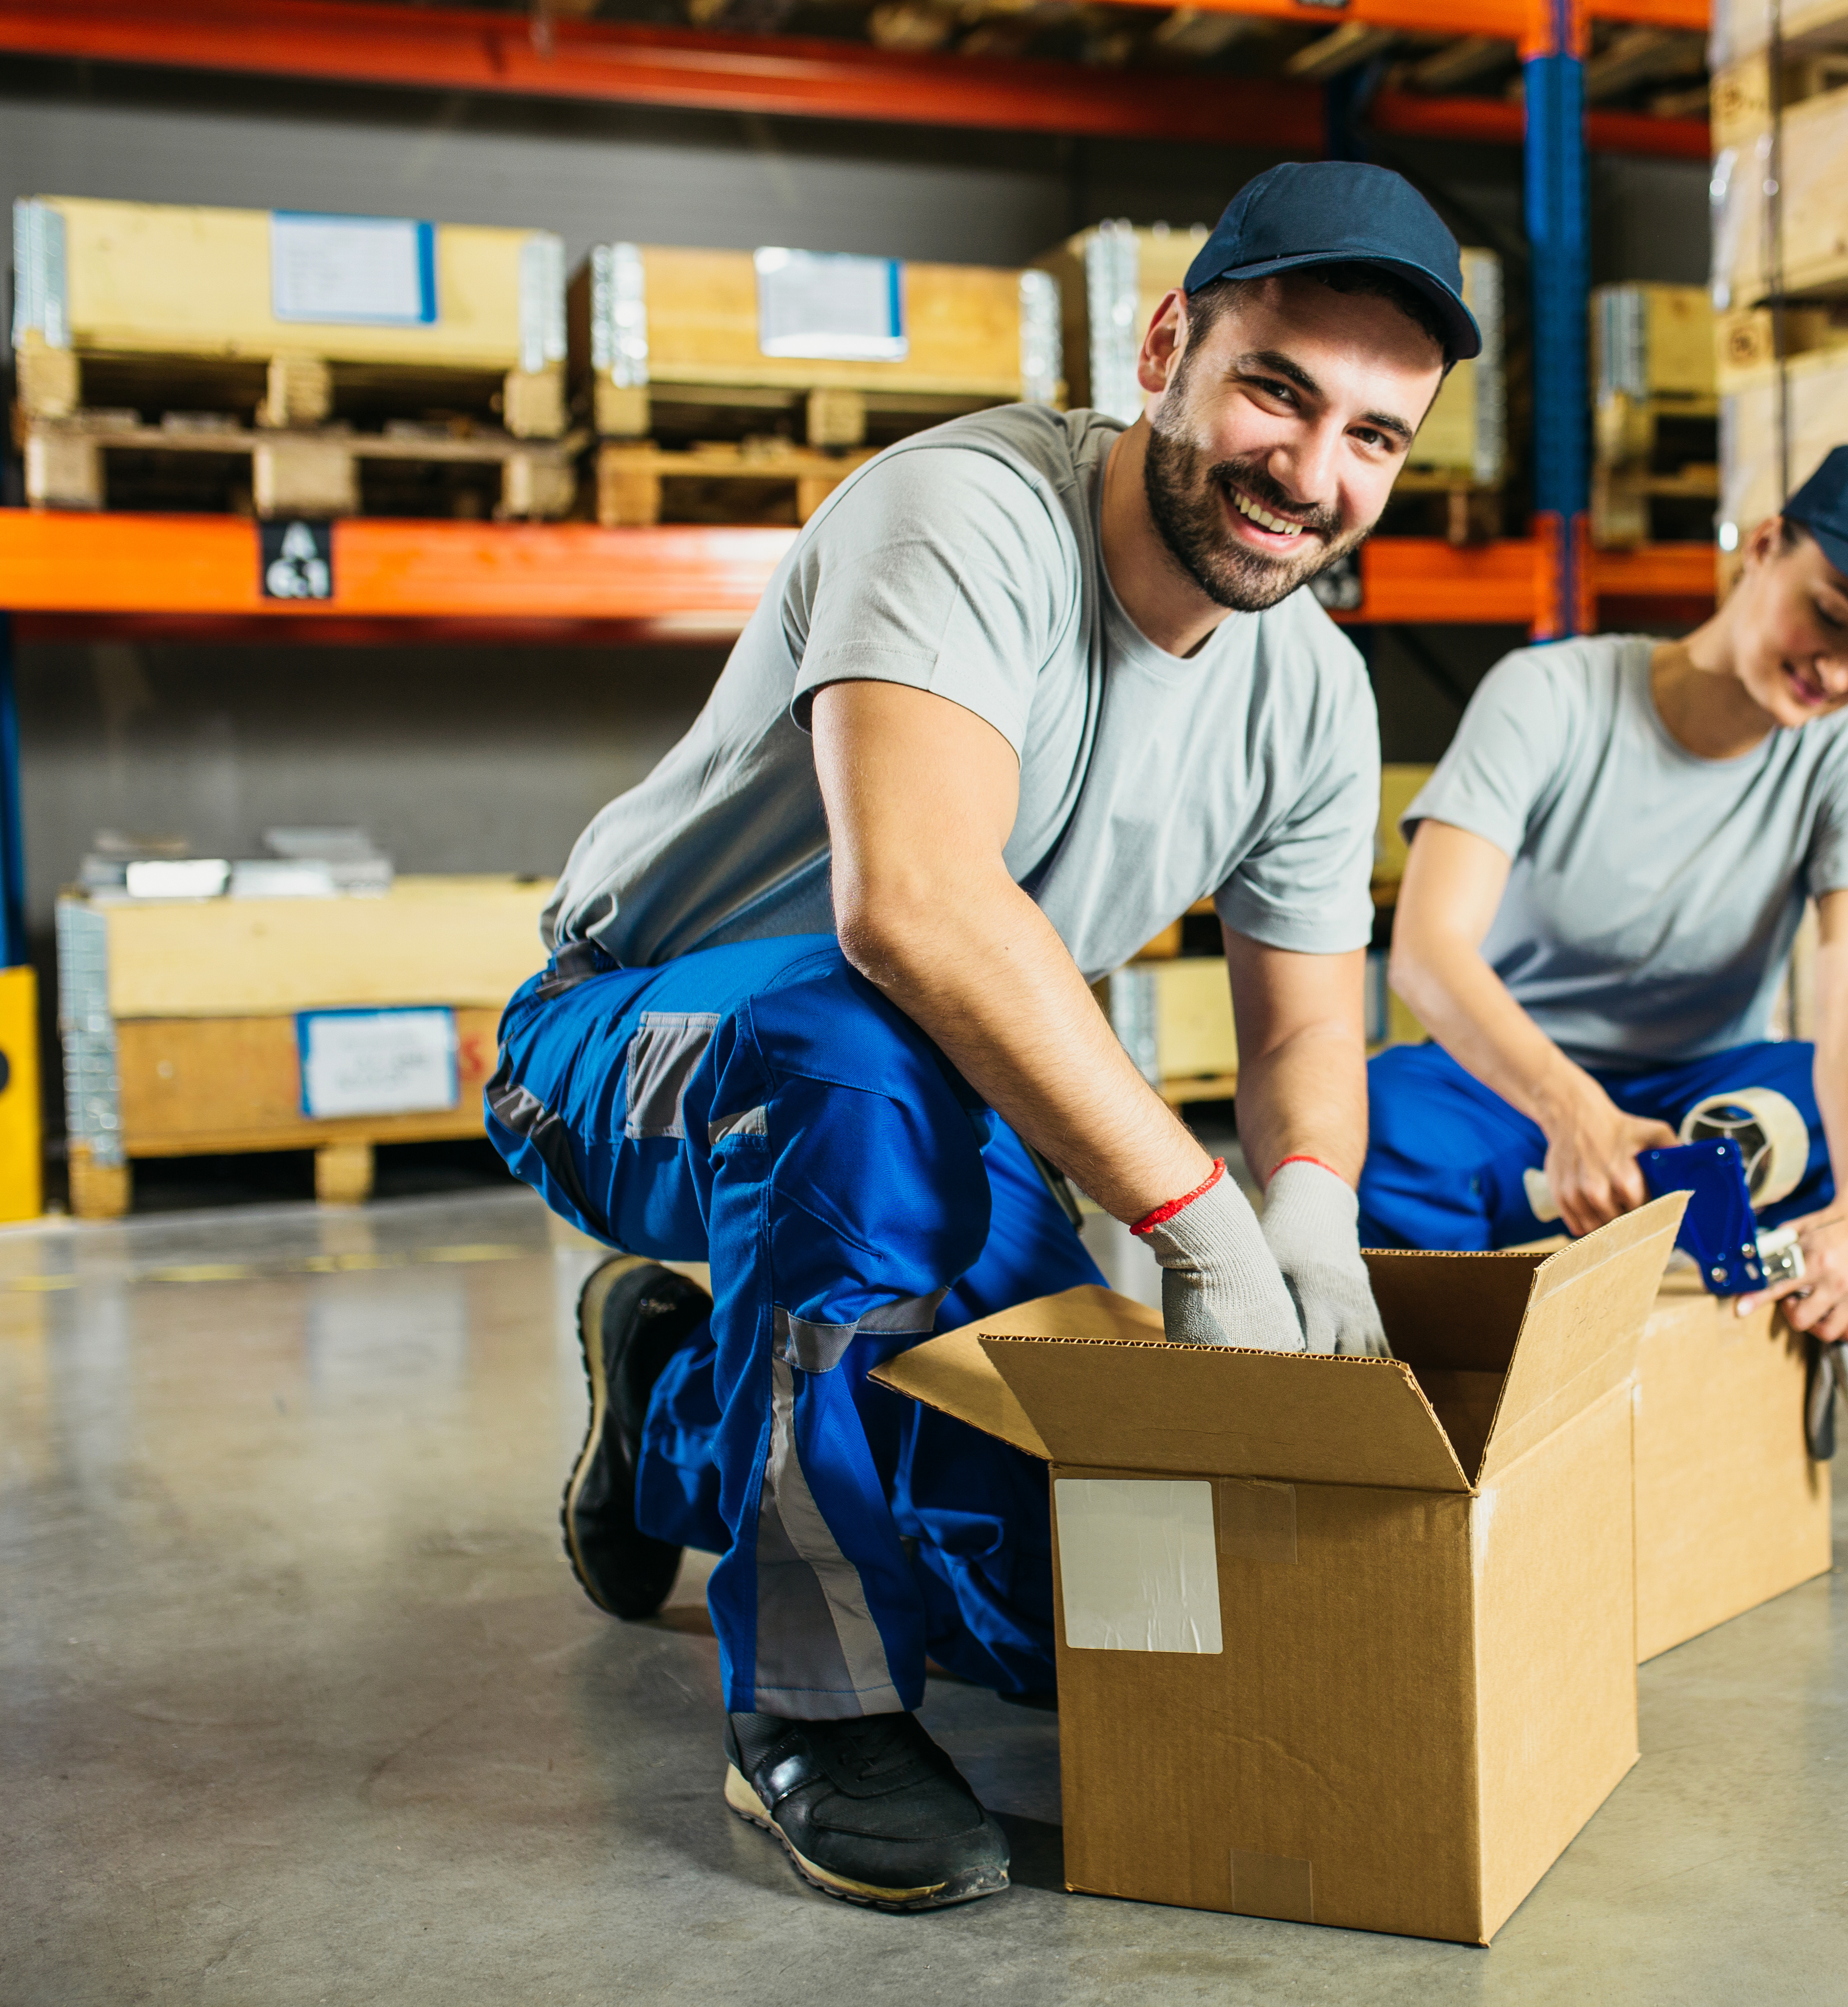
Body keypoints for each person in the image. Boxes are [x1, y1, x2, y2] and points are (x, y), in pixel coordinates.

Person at [484, 163, 1479, 1914]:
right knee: (844, 1058)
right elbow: (915, 910)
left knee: (1038, 1616)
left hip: (924, 1097)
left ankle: (671, 1409)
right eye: (1277, 391)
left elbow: (1310, 1009)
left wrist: (1307, 1196)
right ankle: (810, 1705)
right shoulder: (964, 513)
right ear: (1171, 344)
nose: (1313, 477)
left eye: (1376, 439)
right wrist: (1191, 1218)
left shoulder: (1308, 687)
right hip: (632, 1042)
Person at [1364, 440, 1848, 1347]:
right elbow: (1427, 950)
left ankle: (1744, 1349)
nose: (1840, 675)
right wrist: (1572, 1114)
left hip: (1706, 1111)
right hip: (1514, 1091)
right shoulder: (1550, 696)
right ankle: (1466, 1369)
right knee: (1368, 1128)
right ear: (1765, 546)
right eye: (1830, 618)